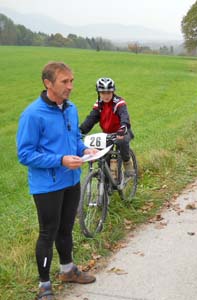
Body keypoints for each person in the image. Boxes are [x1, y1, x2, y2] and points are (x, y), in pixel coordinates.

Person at [16, 62, 97, 300]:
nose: (70, 86)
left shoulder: (70, 108)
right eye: (64, 81)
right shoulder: (32, 115)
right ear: (48, 83)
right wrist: (60, 160)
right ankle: (44, 286)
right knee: (47, 233)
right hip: (47, 185)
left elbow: (74, 138)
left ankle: (68, 270)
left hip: (72, 179)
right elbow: (25, 154)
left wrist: (85, 149)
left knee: (66, 229)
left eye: (71, 81)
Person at [80, 77, 135, 176]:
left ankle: (127, 162)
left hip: (122, 131)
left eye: (108, 93)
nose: (106, 96)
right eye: (103, 93)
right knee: (104, 159)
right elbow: (91, 119)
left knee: (121, 141)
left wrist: (123, 128)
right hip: (107, 134)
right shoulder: (99, 105)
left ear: (113, 92)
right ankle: (106, 181)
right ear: (99, 93)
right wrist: (80, 131)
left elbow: (124, 116)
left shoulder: (118, 103)